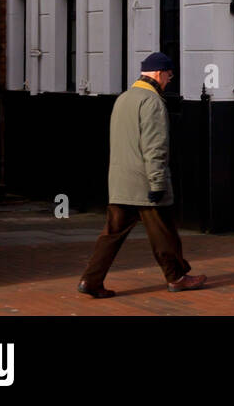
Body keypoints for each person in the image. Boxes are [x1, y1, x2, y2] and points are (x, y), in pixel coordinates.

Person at [77, 52, 206, 297]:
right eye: (169, 75)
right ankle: (177, 278)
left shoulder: (124, 98)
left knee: (110, 236)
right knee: (164, 234)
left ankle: (90, 281)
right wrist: (157, 183)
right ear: (159, 73)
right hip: (145, 182)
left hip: (120, 183)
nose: (170, 80)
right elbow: (154, 145)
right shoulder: (153, 102)